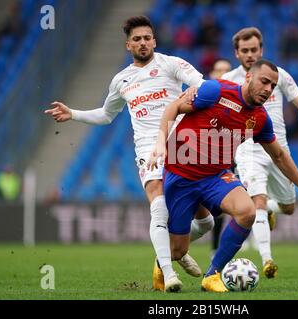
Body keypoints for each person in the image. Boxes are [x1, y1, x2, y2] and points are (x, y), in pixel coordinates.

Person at [44, 16, 215, 292]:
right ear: (128, 45)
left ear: (155, 41)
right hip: (149, 149)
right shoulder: (121, 80)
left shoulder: (171, 64)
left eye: (147, 37)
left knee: (206, 221)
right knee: (158, 207)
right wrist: (73, 113)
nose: (143, 42)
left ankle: (173, 252)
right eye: (137, 39)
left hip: (184, 148)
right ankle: (169, 274)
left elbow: (201, 84)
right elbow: (106, 114)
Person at [147, 59, 298, 292]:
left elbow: (279, 155)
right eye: (264, 81)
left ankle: (213, 275)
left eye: (272, 86)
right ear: (249, 78)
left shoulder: (259, 119)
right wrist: (160, 143)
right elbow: (174, 107)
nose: (268, 89)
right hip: (181, 175)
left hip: (215, 176)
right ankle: (163, 260)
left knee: (247, 212)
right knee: (178, 251)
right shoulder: (215, 91)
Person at [221, 27, 298, 278]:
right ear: (236, 53)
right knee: (258, 201)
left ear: (261, 50)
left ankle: (273, 210)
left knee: (288, 207)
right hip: (247, 150)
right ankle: (267, 260)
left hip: (278, 150)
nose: (250, 55)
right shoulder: (229, 80)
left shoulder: (280, 76)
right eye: (245, 51)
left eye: (254, 50)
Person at [208, 58, 232, 258]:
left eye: (227, 70)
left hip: (231, 158)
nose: (222, 74)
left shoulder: (238, 100)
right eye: (218, 70)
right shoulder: (201, 98)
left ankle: (216, 250)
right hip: (201, 159)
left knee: (225, 207)